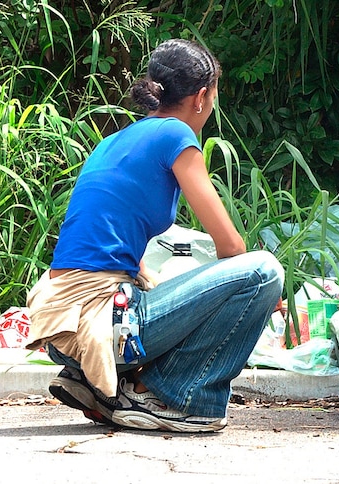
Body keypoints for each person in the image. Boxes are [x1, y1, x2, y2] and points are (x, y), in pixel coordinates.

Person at [24, 39, 284, 433]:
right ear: (200, 97)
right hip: (103, 325)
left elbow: (114, 243)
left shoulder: (114, 141)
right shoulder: (175, 136)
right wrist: (247, 300)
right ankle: (170, 396)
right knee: (262, 271)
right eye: (213, 97)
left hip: (64, 331)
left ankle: (99, 384)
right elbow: (232, 247)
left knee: (182, 281)